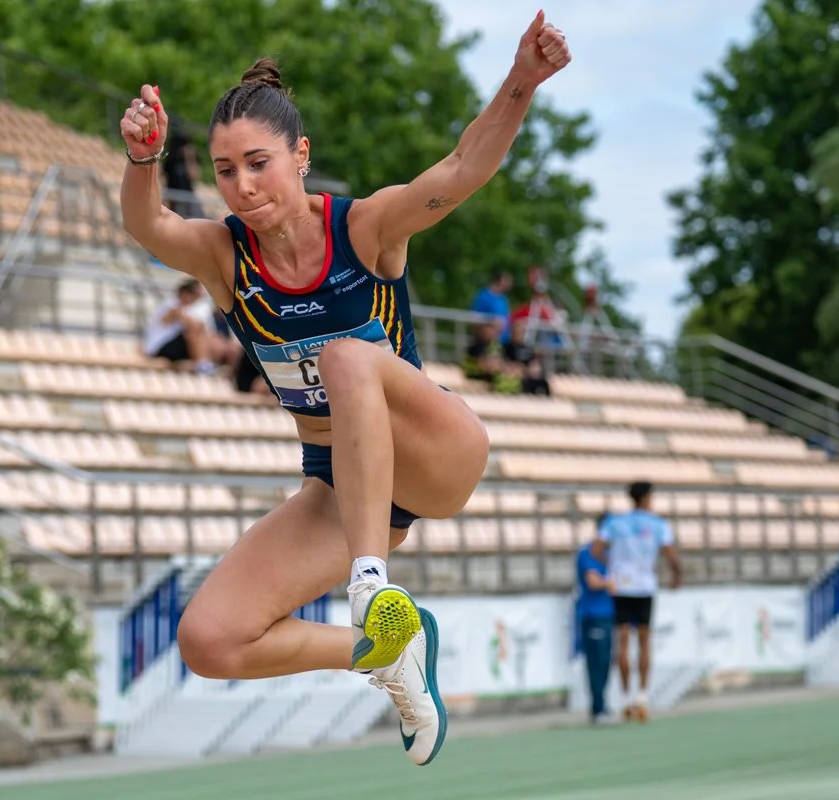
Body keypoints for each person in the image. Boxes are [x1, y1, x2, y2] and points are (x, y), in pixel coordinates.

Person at [118, 12, 569, 767]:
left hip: (433, 452)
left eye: (258, 163)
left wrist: (523, 78)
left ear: (301, 156)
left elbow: (463, 167)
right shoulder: (226, 258)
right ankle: (388, 646)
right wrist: (143, 157)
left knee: (347, 359)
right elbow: (149, 225)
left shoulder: (364, 228)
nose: (242, 186)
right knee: (210, 639)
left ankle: (370, 583)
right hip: (342, 483)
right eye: (226, 172)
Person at [599, 482, 682, 723]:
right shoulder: (657, 524)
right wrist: (677, 575)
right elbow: (671, 555)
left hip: (622, 585)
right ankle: (642, 698)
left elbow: (596, 549)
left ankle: (626, 699)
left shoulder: (615, 523)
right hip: (644, 586)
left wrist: (613, 565)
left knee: (623, 641)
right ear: (646, 498)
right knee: (644, 641)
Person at [576, 513, 616, 724]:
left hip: (608, 614)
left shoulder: (611, 554)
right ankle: (598, 708)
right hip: (593, 615)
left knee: (606, 661)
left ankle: (602, 705)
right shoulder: (587, 553)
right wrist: (611, 583)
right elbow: (593, 582)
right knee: (596, 662)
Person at [470, 269, 513, 345]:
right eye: (507, 280)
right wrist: (490, 322)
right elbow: (474, 317)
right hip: (488, 341)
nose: (510, 283)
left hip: (505, 340)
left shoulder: (503, 298)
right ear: (499, 281)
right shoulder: (483, 296)